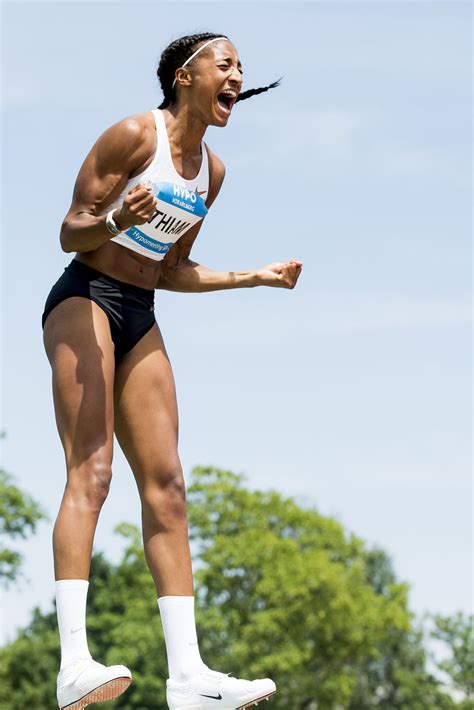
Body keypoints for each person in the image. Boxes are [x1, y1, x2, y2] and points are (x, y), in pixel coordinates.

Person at [42, 32, 302, 710]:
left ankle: (187, 676)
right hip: (83, 296)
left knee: (169, 487)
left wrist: (254, 277)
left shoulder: (210, 173)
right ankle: (75, 664)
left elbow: (171, 268)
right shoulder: (134, 135)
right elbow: (72, 230)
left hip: (140, 307)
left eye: (242, 69)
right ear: (185, 76)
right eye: (225, 63)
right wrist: (112, 221)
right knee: (92, 471)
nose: (237, 76)